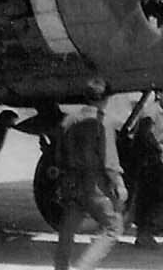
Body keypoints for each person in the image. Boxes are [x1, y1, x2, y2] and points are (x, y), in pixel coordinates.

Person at [53, 77, 126, 270]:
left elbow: (58, 155)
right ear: (106, 98)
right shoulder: (103, 122)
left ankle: (61, 267)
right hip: (94, 185)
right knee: (113, 227)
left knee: (68, 226)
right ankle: (83, 267)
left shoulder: (68, 120)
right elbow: (109, 160)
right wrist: (119, 183)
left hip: (70, 182)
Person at [132, 86, 163, 248]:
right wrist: (155, 150)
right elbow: (145, 132)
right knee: (152, 198)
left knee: (153, 198)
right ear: (158, 95)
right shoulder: (151, 112)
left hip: (156, 159)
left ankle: (145, 233)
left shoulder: (158, 113)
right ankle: (144, 234)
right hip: (152, 162)